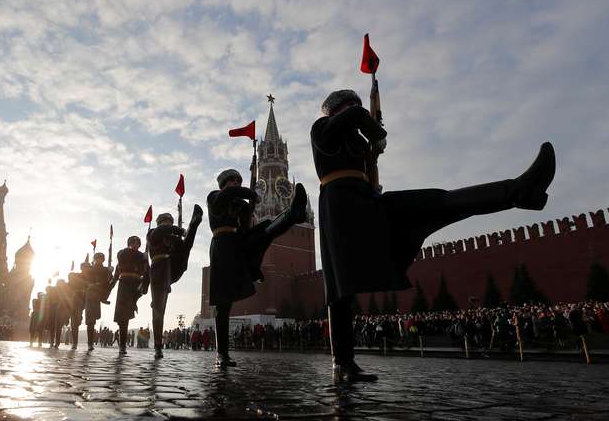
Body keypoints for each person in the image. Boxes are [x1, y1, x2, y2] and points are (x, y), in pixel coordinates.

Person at [312, 89, 556, 382]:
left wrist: (371, 149)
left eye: (358, 104)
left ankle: (519, 191)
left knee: (436, 201)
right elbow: (351, 121)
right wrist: (372, 126)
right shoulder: (322, 128)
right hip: (340, 208)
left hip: (370, 204)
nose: (356, 108)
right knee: (341, 292)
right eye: (350, 104)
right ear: (336, 109)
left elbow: (366, 160)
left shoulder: (358, 142)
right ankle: (343, 363)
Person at [207, 169, 308, 367]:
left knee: (266, 229)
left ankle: (292, 214)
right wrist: (250, 194)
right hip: (222, 245)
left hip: (239, 242)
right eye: (233, 180)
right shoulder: (214, 196)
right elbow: (226, 197)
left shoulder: (240, 203)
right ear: (224, 183)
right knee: (223, 304)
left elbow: (246, 227)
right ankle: (222, 353)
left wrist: (249, 210)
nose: (236, 183)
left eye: (239, 180)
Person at [147, 206, 203, 359]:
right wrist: (179, 230)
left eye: (170, 222)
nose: (168, 224)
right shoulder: (153, 233)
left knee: (185, 248)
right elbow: (161, 231)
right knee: (159, 312)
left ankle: (194, 224)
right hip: (158, 272)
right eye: (165, 222)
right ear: (159, 223)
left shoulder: (173, 238)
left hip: (171, 270)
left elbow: (186, 247)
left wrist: (190, 229)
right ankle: (158, 346)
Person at [109, 236, 149, 355]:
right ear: (129, 243)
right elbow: (117, 273)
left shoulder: (141, 256)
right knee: (123, 319)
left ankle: (134, 303)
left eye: (137, 243)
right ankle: (122, 346)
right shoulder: (123, 253)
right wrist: (109, 286)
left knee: (126, 315)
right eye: (133, 243)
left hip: (135, 285)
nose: (135, 245)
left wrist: (146, 259)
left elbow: (146, 272)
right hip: (124, 285)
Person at [85, 253, 112, 351]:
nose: (99, 260)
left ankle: (104, 298)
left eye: (101, 258)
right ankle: (90, 343)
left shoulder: (105, 270)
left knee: (94, 319)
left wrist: (110, 271)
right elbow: (85, 280)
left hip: (98, 295)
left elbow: (110, 281)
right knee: (90, 321)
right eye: (98, 258)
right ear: (95, 259)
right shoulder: (90, 269)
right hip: (90, 294)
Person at [66, 262, 90, 349]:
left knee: (79, 321)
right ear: (81, 268)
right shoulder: (77, 275)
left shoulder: (91, 277)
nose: (86, 269)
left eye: (88, 267)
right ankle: (74, 342)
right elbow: (70, 277)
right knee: (75, 322)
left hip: (87, 299)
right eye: (85, 267)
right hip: (76, 300)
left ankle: (84, 343)